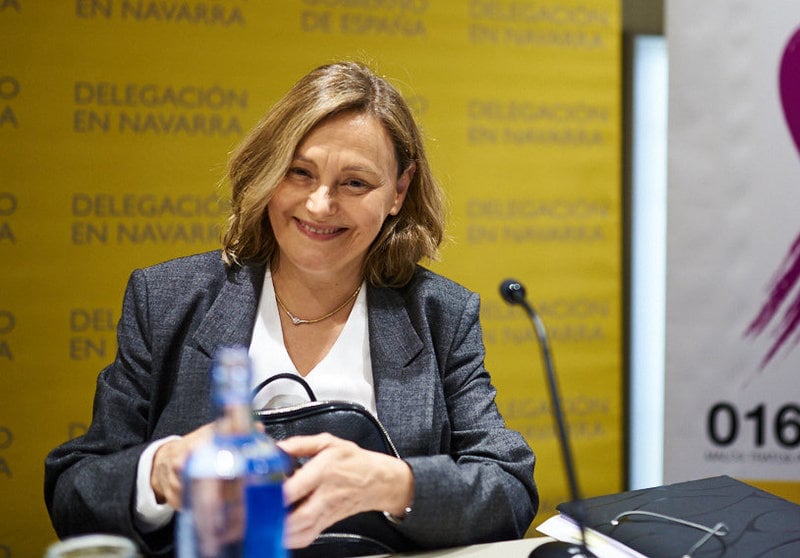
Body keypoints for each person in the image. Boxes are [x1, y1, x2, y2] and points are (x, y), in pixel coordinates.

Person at [44, 61, 539, 557]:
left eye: (355, 183)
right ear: (268, 172)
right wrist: (159, 470)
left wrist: (395, 484)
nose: (320, 205)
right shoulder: (167, 298)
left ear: (399, 192)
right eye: (299, 173)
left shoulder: (441, 315)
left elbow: (510, 492)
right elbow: (74, 493)